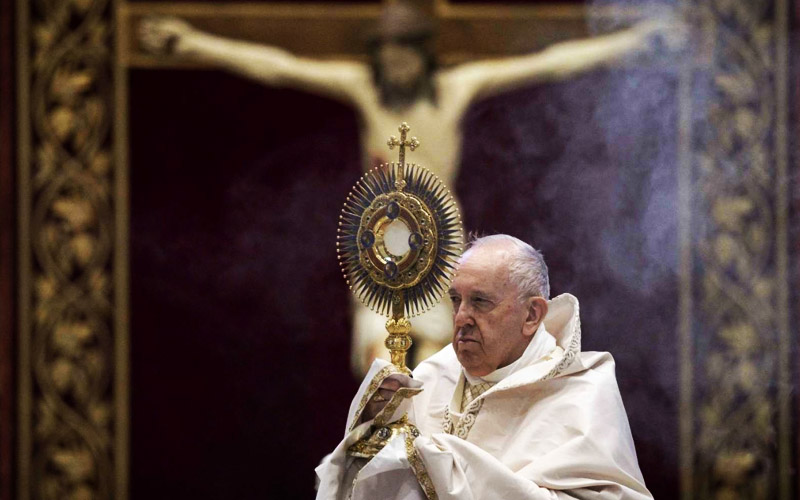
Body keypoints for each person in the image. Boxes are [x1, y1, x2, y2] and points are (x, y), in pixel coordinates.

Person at [138, 3, 680, 375]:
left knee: (445, 352)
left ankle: (435, 451)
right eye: (387, 53)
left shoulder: (455, 88)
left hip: (441, 233)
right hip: (380, 236)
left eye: (405, 53)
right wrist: (192, 41)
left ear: (424, 55)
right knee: (379, 358)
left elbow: (548, 63)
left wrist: (632, 41)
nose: (395, 64)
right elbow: (280, 67)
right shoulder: (365, 89)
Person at [315, 234, 652, 500]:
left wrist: (447, 462)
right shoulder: (432, 375)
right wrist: (373, 426)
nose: (461, 317)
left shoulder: (583, 392)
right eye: (455, 300)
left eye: (480, 301)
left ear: (532, 315)